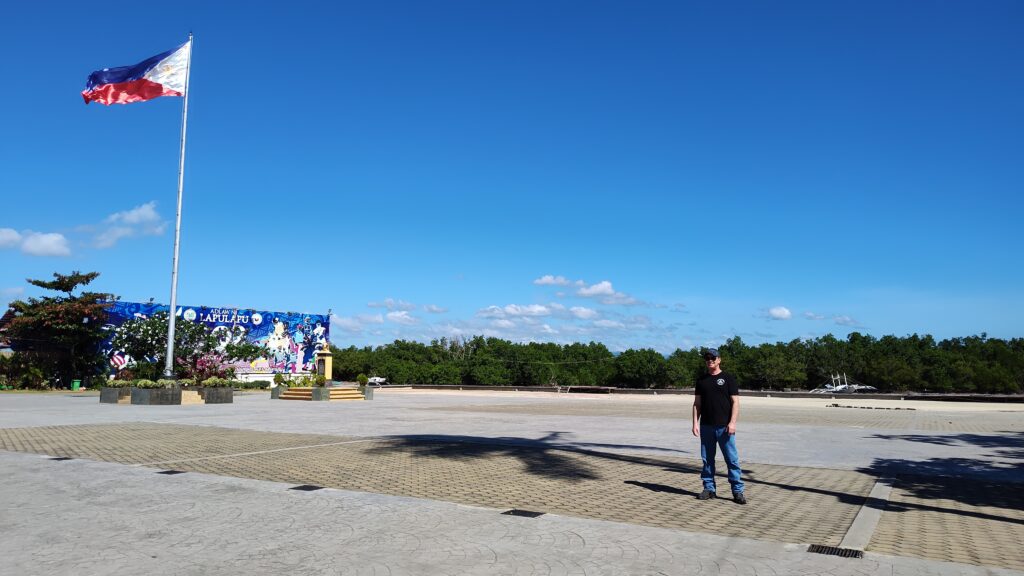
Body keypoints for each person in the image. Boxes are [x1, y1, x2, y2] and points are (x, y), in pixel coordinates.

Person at [691, 347, 746, 504]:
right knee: (707, 460)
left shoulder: (728, 378)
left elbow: (735, 402)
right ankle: (709, 489)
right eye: (707, 358)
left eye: (713, 358)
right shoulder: (701, 380)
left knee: (732, 460)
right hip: (706, 426)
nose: (710, 361)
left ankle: (737, 491)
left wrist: (732, 422)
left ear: (719, 360)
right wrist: (695, 423)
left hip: (725, 427)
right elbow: (697, 404)